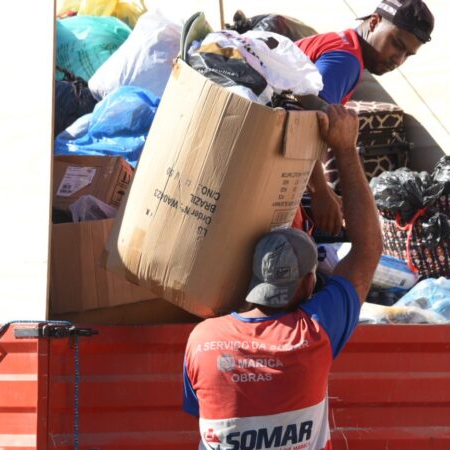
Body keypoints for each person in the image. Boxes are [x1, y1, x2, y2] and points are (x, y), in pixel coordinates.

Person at [183, 105, 383, 450]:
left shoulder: (203, 339)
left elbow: (201, 408)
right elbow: (368, 250)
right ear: (308, 284)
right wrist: (346, 149)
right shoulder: (316, 333)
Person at [298, 0, 435, 236]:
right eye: (396, 44)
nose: (398, 60)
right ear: (374, 22)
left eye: (407, 55)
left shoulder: (340, 42)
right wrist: (319, 190)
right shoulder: (346, 60)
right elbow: (303, 123)